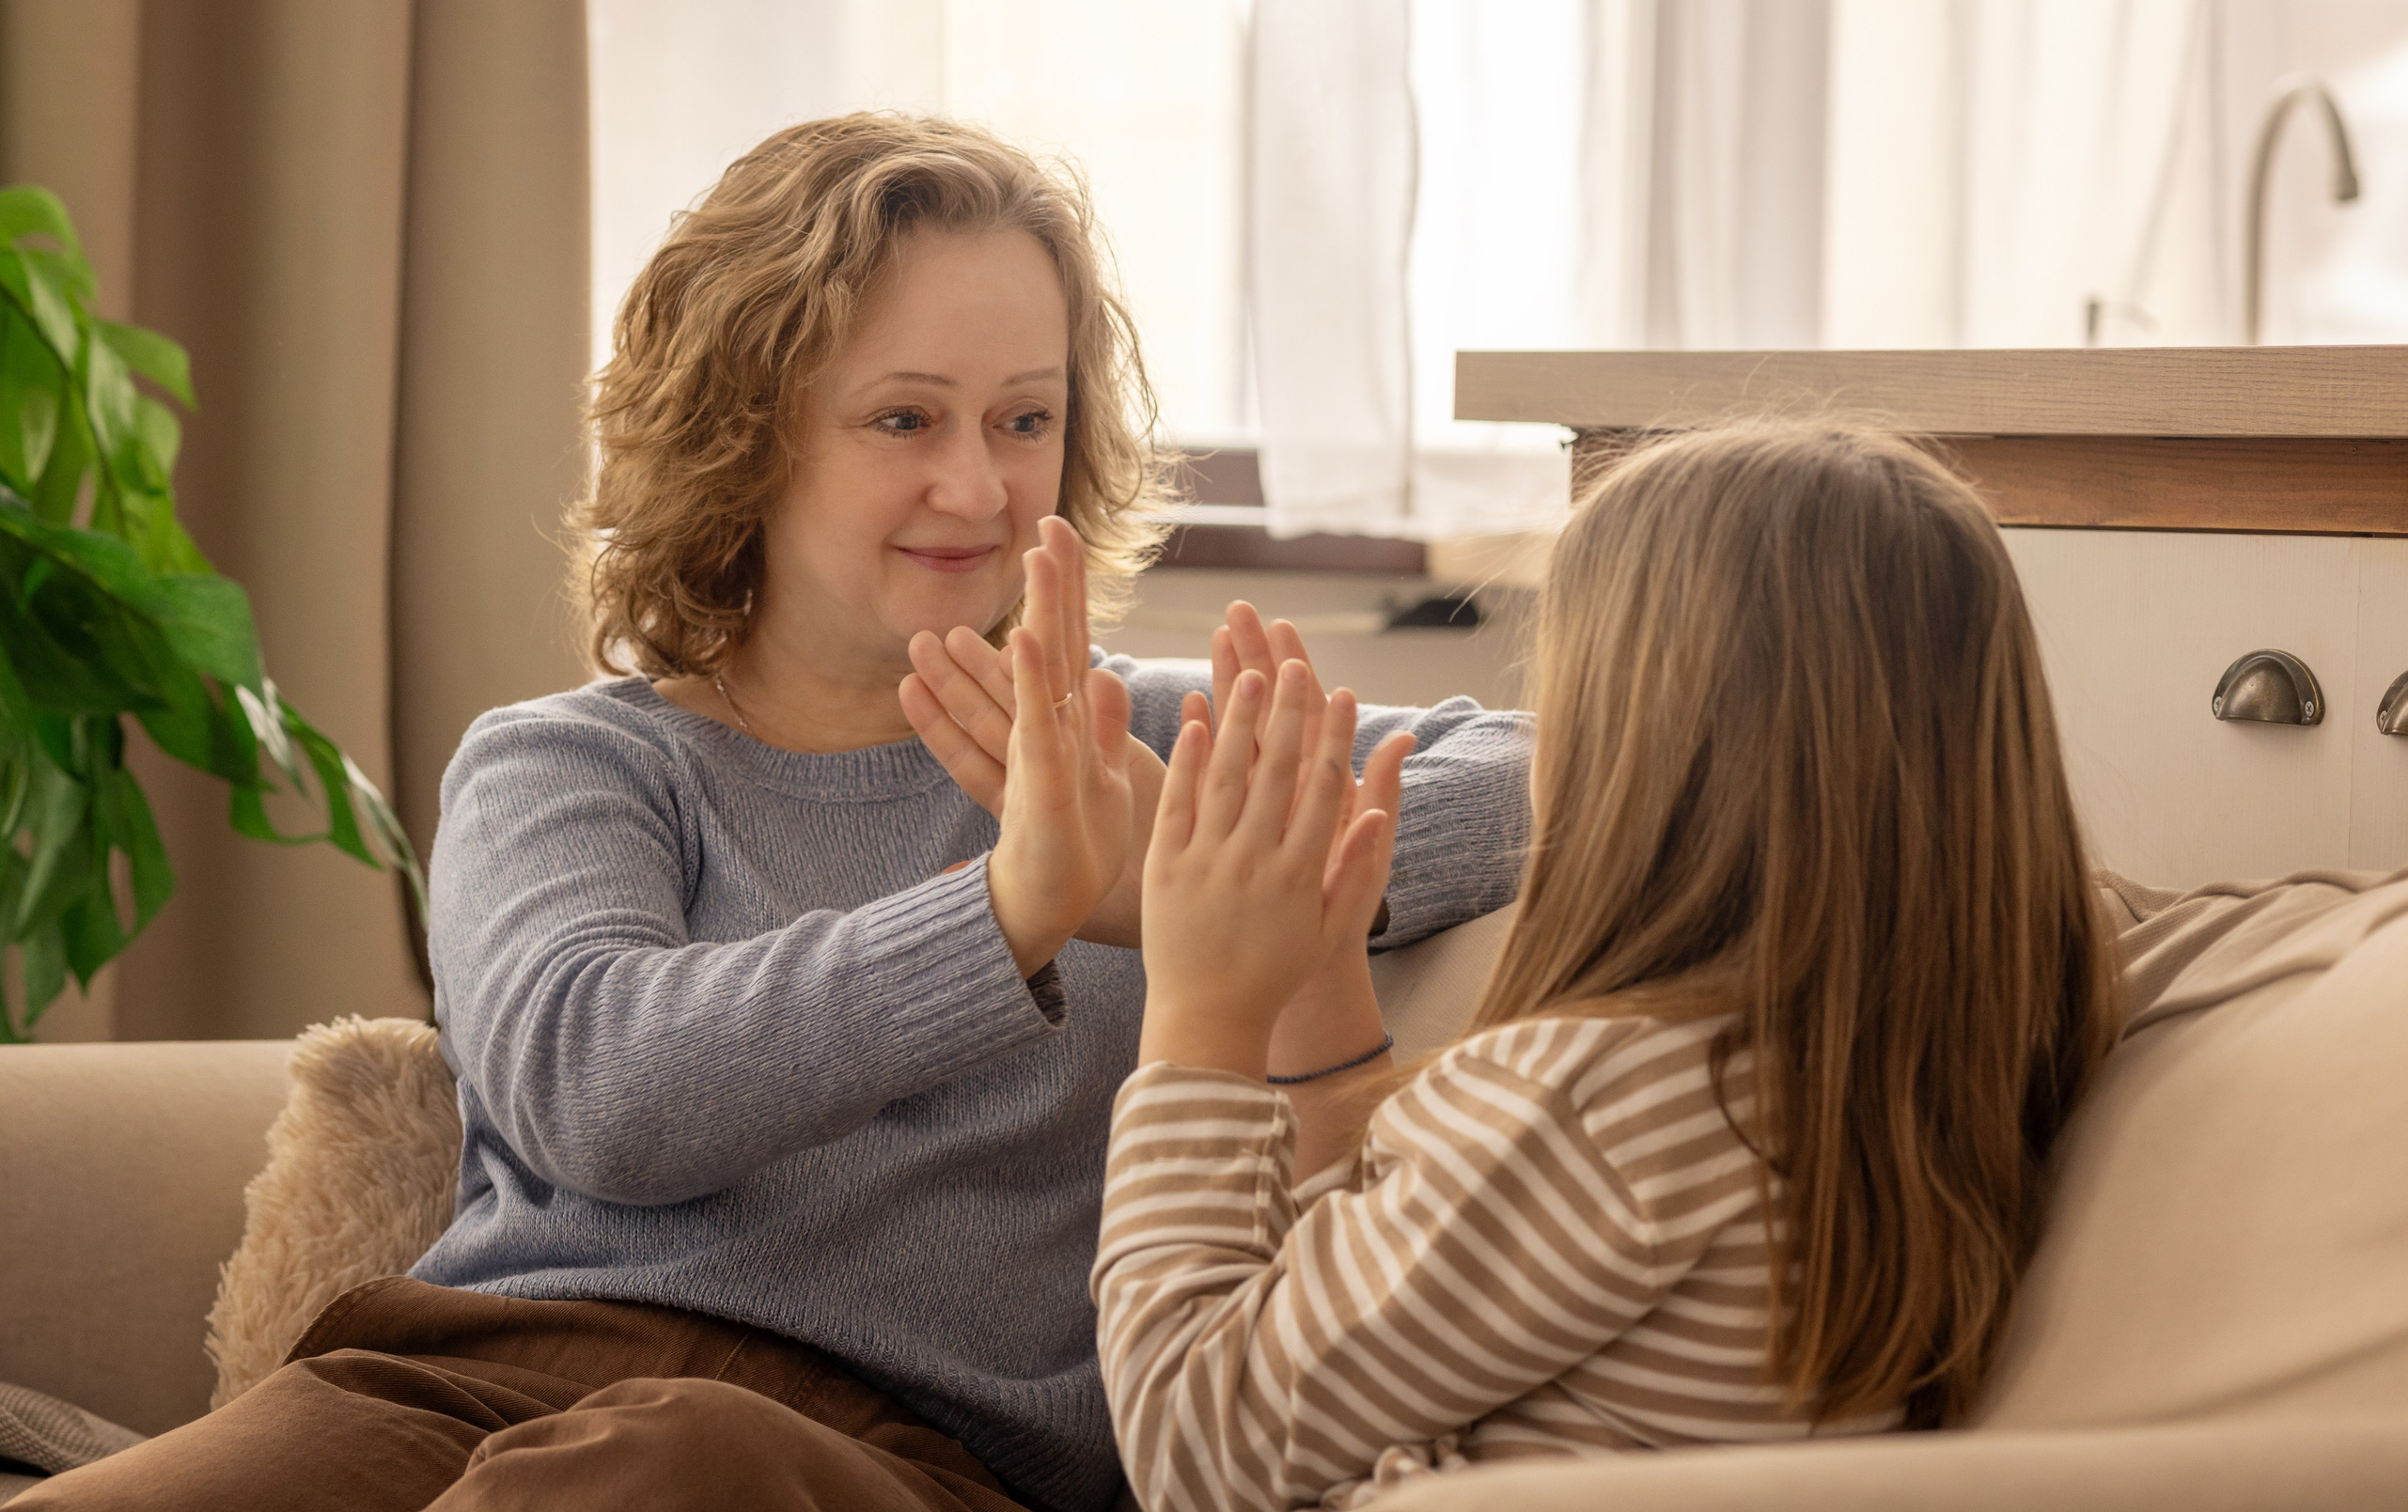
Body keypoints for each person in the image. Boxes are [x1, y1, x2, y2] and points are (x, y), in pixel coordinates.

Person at [18, 115, 1529, 1512]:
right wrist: (1011, 908)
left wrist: (1217, 875)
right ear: (744, 436)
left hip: (909, 1456)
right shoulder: (575, 765)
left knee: (671, 1457)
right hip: (462, 1380)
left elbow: (1585, 762)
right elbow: (599, 1090)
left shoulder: (1145, 748)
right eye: (902, 419)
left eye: (1023, 420)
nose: (978, 485)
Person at [1092, 424, 2126, 1512]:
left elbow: (1190, 1443)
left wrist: (1198, 1006)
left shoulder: (1610, 1103)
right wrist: (1315, 985)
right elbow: (1365, 1309)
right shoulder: (1898, 1061)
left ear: (1640, 755)